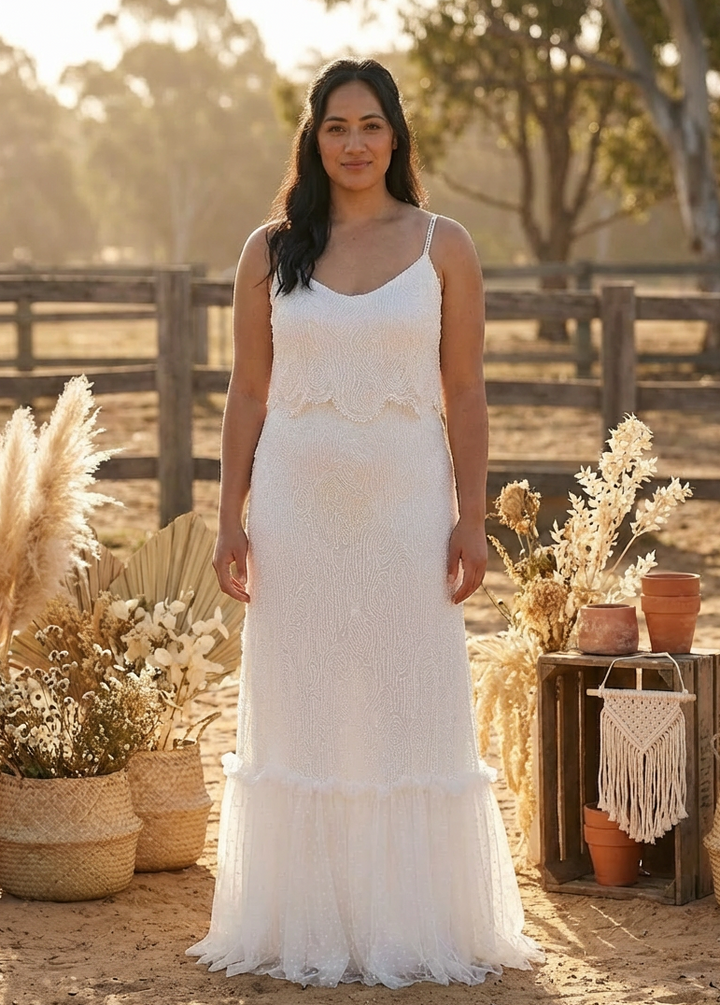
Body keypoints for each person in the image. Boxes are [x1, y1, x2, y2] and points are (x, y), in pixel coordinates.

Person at [188, 57, 542, 989]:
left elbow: (464, 391)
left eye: (371, 125)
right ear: (313, 138)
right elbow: (248, 391)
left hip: (406, 506)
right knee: (303, 700)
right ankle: (310, 917)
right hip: (296, 506)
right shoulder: (270, 250)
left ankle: (410, 919)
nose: (353, 142)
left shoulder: (443, 245)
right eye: (337, 126)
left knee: (404, 697)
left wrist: (473, 517)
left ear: (395, 137)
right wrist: (230, 515)